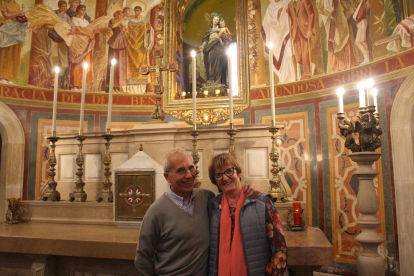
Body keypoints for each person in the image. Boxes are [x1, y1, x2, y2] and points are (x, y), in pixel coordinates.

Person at [135, 149, 262, 276]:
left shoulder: (207, 198)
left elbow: (231, 194)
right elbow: (142, 258)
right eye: (180, 170)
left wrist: (249, 188)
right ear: (167, 177)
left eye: (191, 168)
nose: (189, 175)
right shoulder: (155, 212)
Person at [207, 153, 288, 276]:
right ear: (215, 180)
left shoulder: (262, 201)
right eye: (218, 175)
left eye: (229, 171)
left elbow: (278, 246)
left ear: (238, 172)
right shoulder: (212, 205)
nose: (225, 178)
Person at [317, 0, 357, 73]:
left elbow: (344, 4)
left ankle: (346, 64)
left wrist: (349, 7)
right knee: (332, 42)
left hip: (339, 17)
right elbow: (321, 7)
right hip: (330, 19)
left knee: (341, 39)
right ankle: (334, 66)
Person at [262, 0, 296, 84]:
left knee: (288, 53)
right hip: (276, 37)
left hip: (286, 33)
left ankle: (292, 76)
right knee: (280, 57)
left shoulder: (286, 2)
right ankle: (283, 78)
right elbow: (268, 23)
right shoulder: (270, 7)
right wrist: (278, 15)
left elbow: (294, 15)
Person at [43, 1, 74, 85]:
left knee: (64, 62)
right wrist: (57, 27)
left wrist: (70, 31)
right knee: (53, 57)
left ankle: (59, 77)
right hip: (53, 38)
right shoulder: (54, 14)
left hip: (63, 40)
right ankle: (53, 79)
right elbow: (46, 26)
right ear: (59, 6)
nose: (64, 8)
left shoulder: (67, 17)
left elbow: (70, 28)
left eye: (65, 6)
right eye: (62, 6)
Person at [125, 5, 154, 94]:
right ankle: (129, 90)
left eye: (138, 10)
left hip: (141, 49)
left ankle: (141, 90)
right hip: (130, 49)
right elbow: (125, 31)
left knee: (142, 67)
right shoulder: (129, 21)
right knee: (129, 67)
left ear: (141, 11)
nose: (136, 12)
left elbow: (149, 32)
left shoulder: (144, 22)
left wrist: (149, 30)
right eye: (135, 10)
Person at [0, 0, 28, 84]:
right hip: (7, 27)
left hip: (15, 28)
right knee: (5, 52)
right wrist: (17, 14)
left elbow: (17, 17)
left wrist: (22, 16)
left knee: (14, 53)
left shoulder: (16, 4)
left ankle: (8, 77)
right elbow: (5, 15)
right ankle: (1, 76)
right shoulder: (3, 2)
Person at [286, 0, 314, 80]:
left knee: (305, 52)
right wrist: (288, 13)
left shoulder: (304, 1)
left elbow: (311, 13)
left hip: (305, 29)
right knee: (298, 55)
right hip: (295, 31)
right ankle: (302, 71)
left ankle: (307, 73)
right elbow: (292, 18)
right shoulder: (290, 4)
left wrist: (310, 29)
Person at [69, 4, 94, 90]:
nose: (82, 11)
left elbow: (89, 30)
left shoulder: (86, 21)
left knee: (84, 62)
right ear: (77, 10)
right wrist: (88, 34)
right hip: (78, 43)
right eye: (81, 9)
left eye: (84, 10)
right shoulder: (74, 19)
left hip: (85, 43)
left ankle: (81, 84)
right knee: (77, 62)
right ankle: (75, 84)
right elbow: (79, 30)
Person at [199, 13, 227, 85]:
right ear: (212, 20)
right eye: (214, 19)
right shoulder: (209, 32)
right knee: (210, 62)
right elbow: (205, 41)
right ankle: (211, 80)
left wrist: (221, 35)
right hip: (210, 48)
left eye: (217, 20)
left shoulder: (221, 30)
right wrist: (203, 45)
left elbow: (226, 39)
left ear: (218, 22)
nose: (215, 21)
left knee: (218, 63)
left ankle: (218, 81)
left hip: (218, 48)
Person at [106, 10, 127, 90]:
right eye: (120, 15)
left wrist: (124, 28)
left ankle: (120, 85)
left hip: (122, 41)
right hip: (114, 42)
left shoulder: (121, 22)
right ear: (116, 15)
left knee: (121, 63)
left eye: (122, 15)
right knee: (114, 62)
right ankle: (113, 85)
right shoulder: (113, 20)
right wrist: (122, 20)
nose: (121, 16)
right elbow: (113, 26)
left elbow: (123, 31)